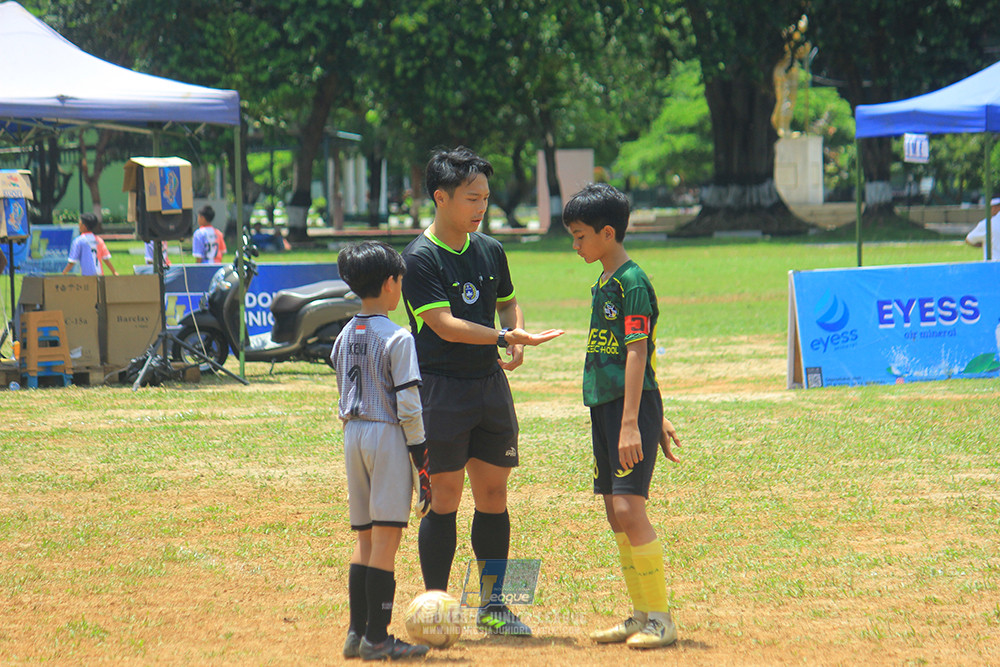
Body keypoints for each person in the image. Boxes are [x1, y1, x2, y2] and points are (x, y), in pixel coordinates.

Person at [401, 146, 563, 637]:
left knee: (495, 493)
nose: (481, 208)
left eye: (486, 199)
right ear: (441, 197)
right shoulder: (419, 258)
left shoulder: (491, 249)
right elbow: (445, 326)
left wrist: (515, 335)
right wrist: (501, 336)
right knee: (445, 496)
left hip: (490, 387)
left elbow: (509, 304)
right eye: (472, 198)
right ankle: (438, 605)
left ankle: (498, 606)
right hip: (441, 390)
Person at [562, 183, 681, 650]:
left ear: (607, 233)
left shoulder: (632, 282)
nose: (575, 245)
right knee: (615, 512)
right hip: (608, 407)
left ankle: (662, 620)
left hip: (627, 409)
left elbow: (637, 354)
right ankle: (640, 615)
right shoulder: (604, 282)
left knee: (631, 508)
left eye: (579, 236)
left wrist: (638, 421)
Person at [331, 240, 433, 661]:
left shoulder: (343, 333)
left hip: (352, 433)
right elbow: (408, 405)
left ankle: (356, 633)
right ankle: (378, 638)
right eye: (401, 280)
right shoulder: (398, 336)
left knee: (366, 537)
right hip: (387, 435)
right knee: (387, 540)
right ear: (391, 283)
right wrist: (421, 460)